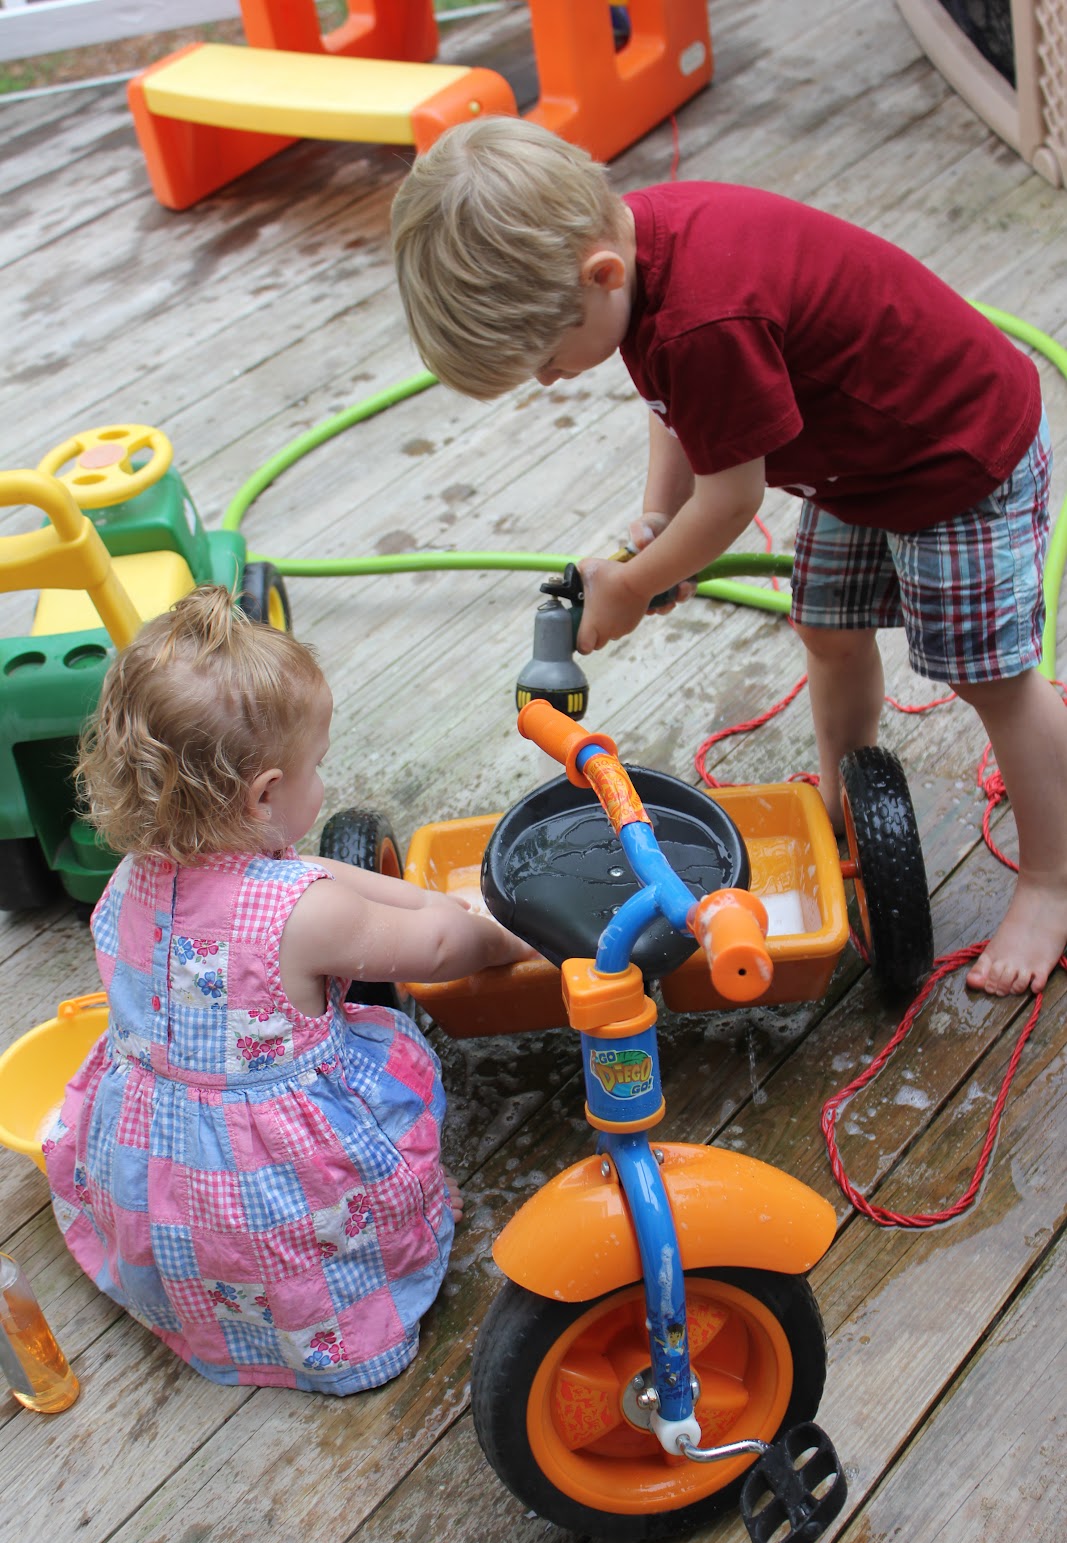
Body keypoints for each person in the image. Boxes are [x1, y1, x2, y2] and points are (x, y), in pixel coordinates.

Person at [391, 116, 1067, 999]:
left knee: (992, 680)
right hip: (858, 465)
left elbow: (733, 498)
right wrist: (651, 518)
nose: (553, 380)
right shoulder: (637, 254)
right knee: (826, 628)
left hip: (955, 456)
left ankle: (1052, 880)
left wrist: (631, 586)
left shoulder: (703, 316)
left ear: (599, 276)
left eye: (548, 364)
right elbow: (674, 408)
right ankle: (840, 799)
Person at [44, 586, 532, 1393]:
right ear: (265, 794)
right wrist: (498, 932)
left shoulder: (135, 876)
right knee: (319, 1224)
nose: (323, 779)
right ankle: (337, 1340)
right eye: (318, 766)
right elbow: (439, 947)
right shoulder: (301, 915)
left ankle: (199, 1308)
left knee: (212, 1234)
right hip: (271, 1181)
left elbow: (324, 880)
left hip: (159, 1165)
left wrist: (422, 898)